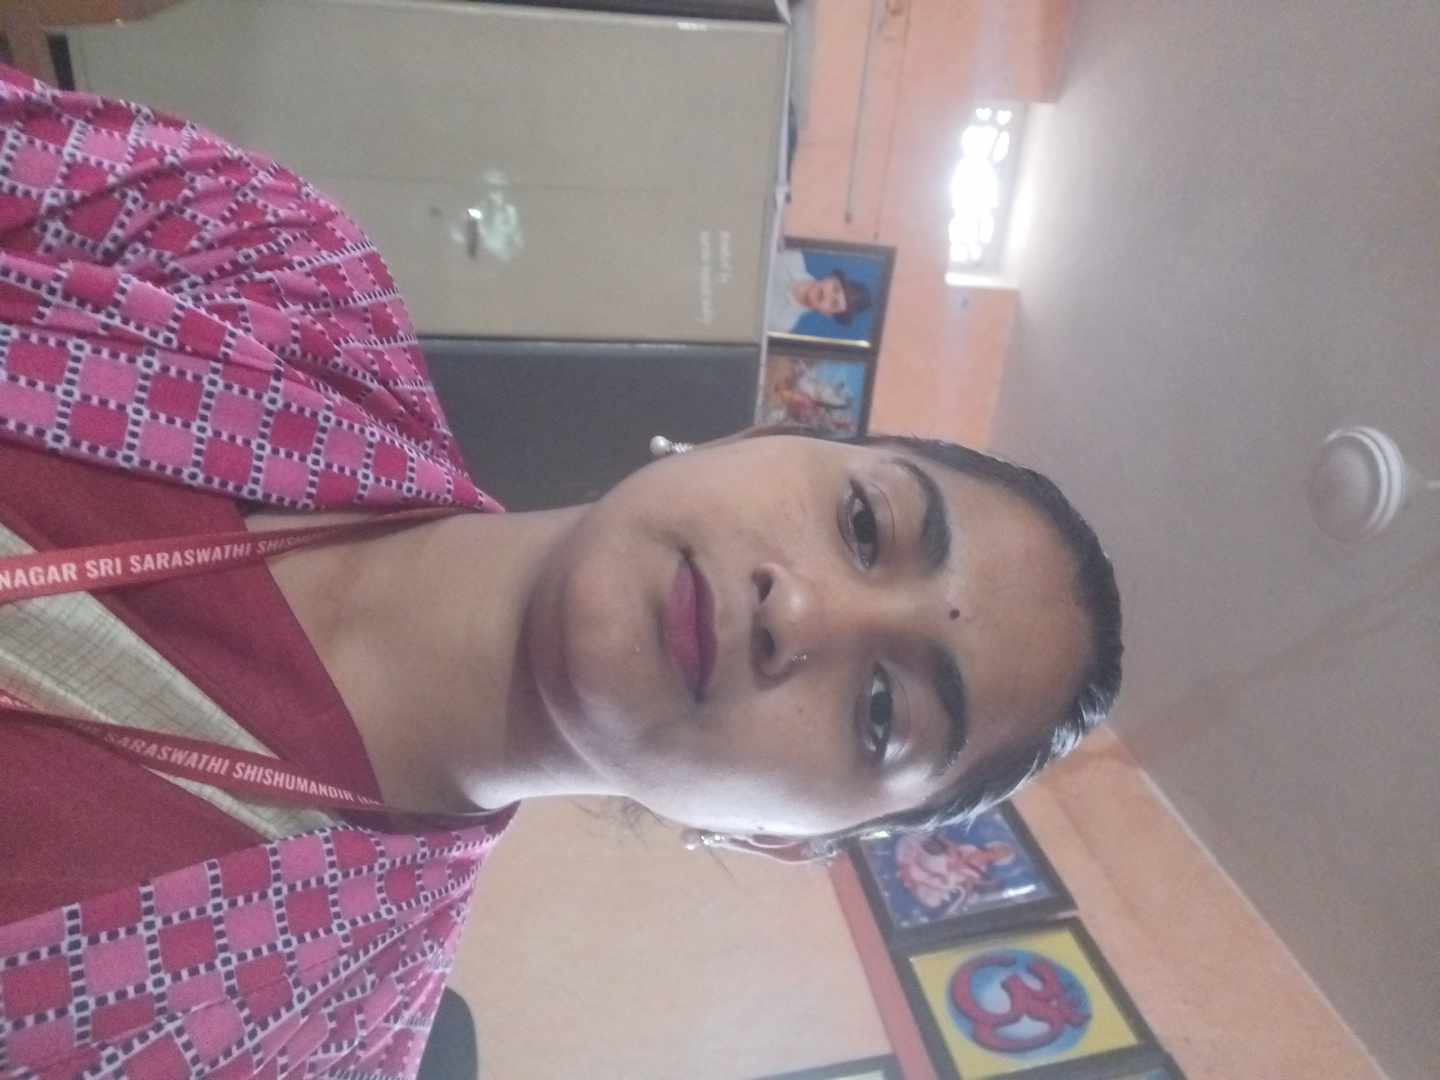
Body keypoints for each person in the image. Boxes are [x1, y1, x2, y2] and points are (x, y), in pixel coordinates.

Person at [0, 66, 1121, 1079]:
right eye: (865, 524)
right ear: (760, 434)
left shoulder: (316, 1041)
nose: (804, 609)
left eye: (882, 712)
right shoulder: (277, 264)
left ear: (780, 839)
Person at [766, 247, 874, 336]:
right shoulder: (792, 254)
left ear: (827, 313)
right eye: (835, 288)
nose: (827, 295)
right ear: (830, 277)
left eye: (834, 303)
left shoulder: (782, 324)